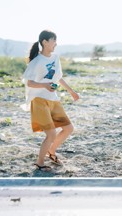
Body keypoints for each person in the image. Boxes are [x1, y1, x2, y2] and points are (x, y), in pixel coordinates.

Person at [22, 30, 79, 171]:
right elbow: (29, 83)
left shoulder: (55, 57)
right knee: (51, 133)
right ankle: (40, 163)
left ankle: (51, 151)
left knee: (68, 128)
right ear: (45, 42)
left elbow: (58, 77)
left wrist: (71, 91)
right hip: (39, 100)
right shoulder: (36, 61)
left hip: (53, 99)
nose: (56, 43)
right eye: (53, 40)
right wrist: (44, 85)